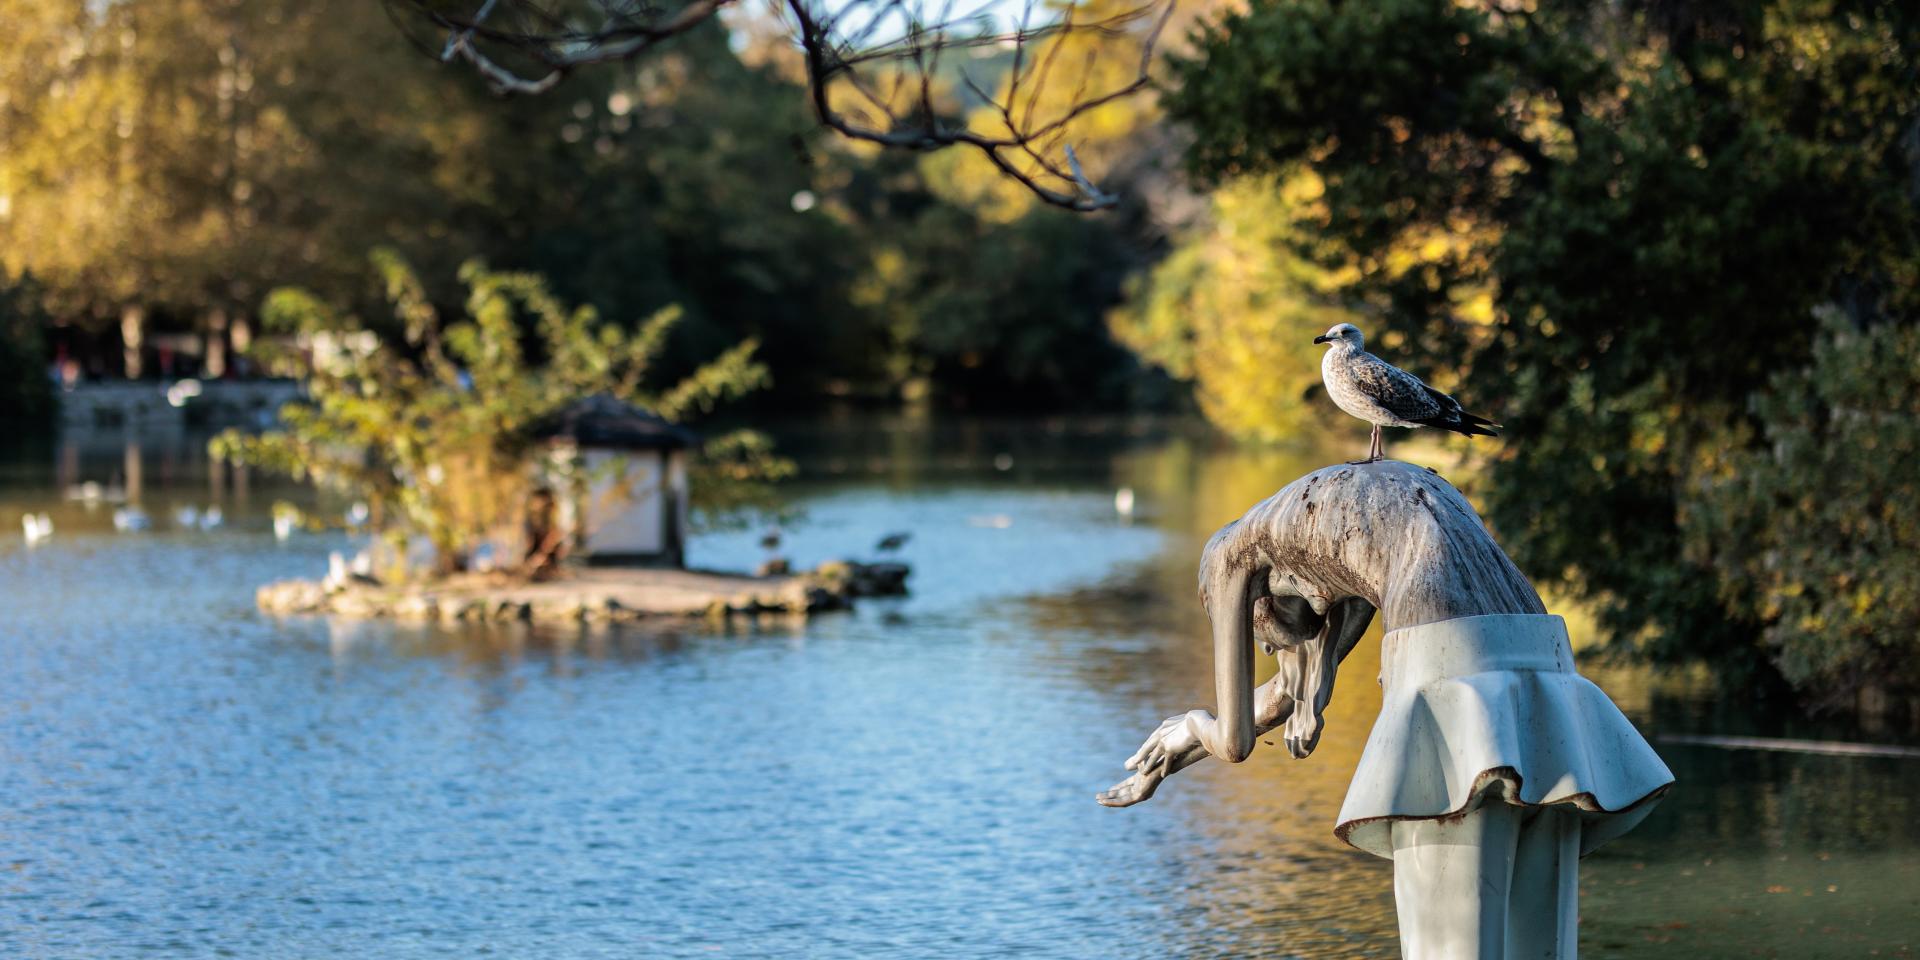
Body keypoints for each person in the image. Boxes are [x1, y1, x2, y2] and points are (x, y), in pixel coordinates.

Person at [1098, 461, 1672, 960]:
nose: (1267, 650)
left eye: (1259, 639)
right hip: (1546, 663)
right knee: (1539, 937)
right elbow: (1283, 697)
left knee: (1448, 933)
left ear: (1254, 603)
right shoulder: (1350, 516)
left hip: (1449, 663)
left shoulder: (1230, 552)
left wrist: (1189, 728)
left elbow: (1235, 740)